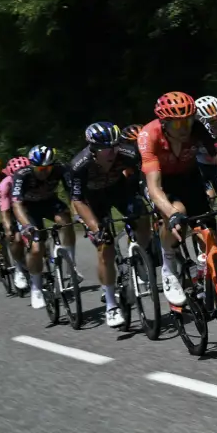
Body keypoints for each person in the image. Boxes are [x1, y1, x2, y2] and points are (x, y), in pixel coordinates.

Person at [138, 91, 217, 308]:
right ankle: (169, 266)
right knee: (178, 215)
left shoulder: (198, 130)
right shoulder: (148, 135)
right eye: (177, 125)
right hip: (160, 182)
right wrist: (172, 215)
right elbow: (154, 187)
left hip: (189, 179)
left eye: (188, 122)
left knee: (213, 245)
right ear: (164, 123)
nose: (184, 129)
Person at [65, 122, 148, 327]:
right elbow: (77, 200)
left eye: (114, 146)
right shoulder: (79, 165)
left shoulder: (127, 153)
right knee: (105, 248)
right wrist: (95, 228)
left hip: (118, 190)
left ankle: (141, 257)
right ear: (93, 149)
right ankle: (111, 305)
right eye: (105, 149)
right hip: (92, 200)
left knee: (144, 216)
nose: (111, 152)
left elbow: (143, 177)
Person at [11, 145, 75, 311]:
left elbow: (73, 195)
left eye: (48, 168)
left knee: (66, 220)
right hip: (28, 208)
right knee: (37, 247)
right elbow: (16, 204)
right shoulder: (21, 175)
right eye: (40, 168)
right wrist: (26, 226)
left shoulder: (60, 169)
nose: (45, 172)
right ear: (32, 166)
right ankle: (36, 288)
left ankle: (70, 263)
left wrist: (77, 215)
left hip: (49, 202)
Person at [0, 157, 30, 291]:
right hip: (12, 210)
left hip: (30, 206)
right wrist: (8, 228)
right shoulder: (5, 185)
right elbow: (4, 212)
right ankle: (19, 267)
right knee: (15, 239)